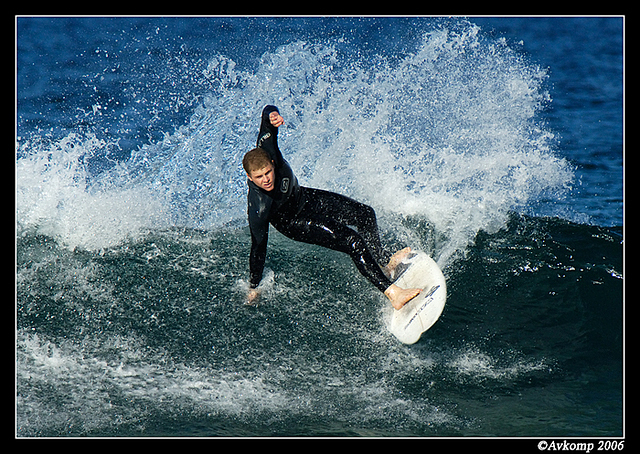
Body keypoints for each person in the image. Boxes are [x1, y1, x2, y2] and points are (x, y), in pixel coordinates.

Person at [243, 105, 421, 309]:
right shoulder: (259, 208)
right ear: (250, 177)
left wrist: (273, 115)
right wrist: (254, 286)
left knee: (364, 214)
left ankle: (384, 262)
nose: (266, 179)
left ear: (272, 163)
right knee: (353, 241)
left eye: (268, 172)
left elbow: (266, 115)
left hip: (304, 197)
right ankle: (393, 294)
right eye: (259, 177)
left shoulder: (268, 150)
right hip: (293, 221)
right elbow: (258, 247)